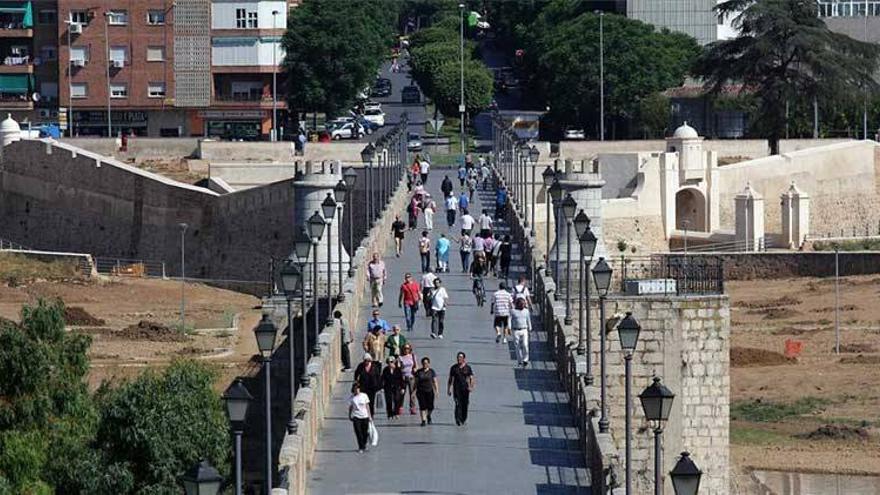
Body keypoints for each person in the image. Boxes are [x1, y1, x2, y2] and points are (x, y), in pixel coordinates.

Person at [447, 351, 475, 426]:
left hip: (465, 389)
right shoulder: (453, 368)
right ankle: (458, 419)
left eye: (460, 357)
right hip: (456, 389)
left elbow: (471, 378)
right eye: (458, 357)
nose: (459, 359)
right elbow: (450, 379)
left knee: (464, 404)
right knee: (457, 403)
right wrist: (449, 389)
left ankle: (463, 418)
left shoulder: (468, 368)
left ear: (464, 359)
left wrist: (471, 387)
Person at [414, 356, 439, 426]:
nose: (425, 364)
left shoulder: (431, 371)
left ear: (429, 364)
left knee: (430, 407)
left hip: (429, 391)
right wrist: (413, 391)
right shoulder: (419, 372)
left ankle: (428, 415)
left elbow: (435, 381)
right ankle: (423, 420)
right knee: (422, 406)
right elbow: (416, 382)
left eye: (426, 363)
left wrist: (436, 390)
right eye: (424, 363)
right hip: (420, 391)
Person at [348, 382, 371, 453]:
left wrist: (369, 416)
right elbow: (350, 407)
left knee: (365, 432)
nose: (357, 390)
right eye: (355, 389)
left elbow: (367, 406)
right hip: (356, 416)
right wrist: (349, 415)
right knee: (358, 432)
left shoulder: (364, 396)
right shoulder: (351, 398)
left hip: (365, 416)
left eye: (358, 388)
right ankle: (361, 447)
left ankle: (364, 444)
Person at [510, 297, 532, 367]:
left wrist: (530, 328)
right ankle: (519, 360)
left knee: (525, 345)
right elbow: (509, 319)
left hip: (524, 329)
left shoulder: (526, 311)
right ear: (518, 304)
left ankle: (525, 359)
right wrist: (509, 328)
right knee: (517, 346)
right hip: (515, 330)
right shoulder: (513, 311)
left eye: (524, 304)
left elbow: (528, 320)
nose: (523, 305)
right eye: (522, 304)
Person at [399, 344, 418, 414]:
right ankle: (400, 407)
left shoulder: (413, 356)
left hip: (411, 377)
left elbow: (416, 365)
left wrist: (416, 370)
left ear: (410, 349)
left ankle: (412, 407)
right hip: (403, 377)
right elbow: (399, 368)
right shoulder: (400, 357)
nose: (406, 350)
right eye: (405, 348)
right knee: (402, 393)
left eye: (407, 348)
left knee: (412, 393)